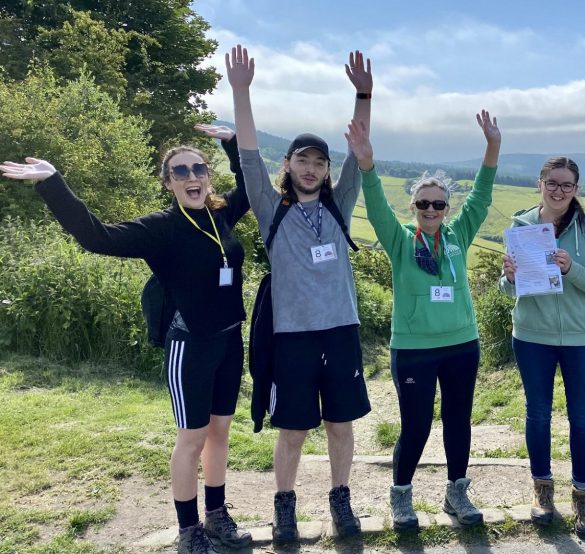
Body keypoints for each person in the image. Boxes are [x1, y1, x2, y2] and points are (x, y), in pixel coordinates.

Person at [1, 124, 253, 554]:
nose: (191, 177)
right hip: (191, 346)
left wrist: (231, 143)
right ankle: (188, 530)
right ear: (168, 182)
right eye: (180, 172)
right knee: (192, 438)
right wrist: (53, 184)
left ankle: (215, 517)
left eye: (198, 169)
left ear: (207, 176)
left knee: (219, 433)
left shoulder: (221, 212)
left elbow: (250, 186)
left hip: (230, 341)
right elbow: (97, 237)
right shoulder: (160, 228)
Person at [226, 45, 372, 544]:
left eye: (319, 162)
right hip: (291, 336)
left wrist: (363, 94)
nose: (311, 169)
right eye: (302, 160)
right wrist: (241, 92)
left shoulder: (340, 205)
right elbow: (247, 157)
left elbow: (358, 150)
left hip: (341, 330)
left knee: (340, 424)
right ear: (287, 165)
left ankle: (341, 502)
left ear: (328, 171)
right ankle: (284, 508)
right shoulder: (273, 209)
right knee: (292, 429)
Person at [344, 110, 500, 530]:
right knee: (415, 425)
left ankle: (456, 494)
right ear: (413, 207)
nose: (431, 209)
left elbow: (482, 197)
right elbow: (375, 203)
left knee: (458, 422)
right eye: (423, 203)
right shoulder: (399, 239)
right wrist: (367, 164)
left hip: (462, 344)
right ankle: (401, 498)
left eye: (439, 203)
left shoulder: (458, 234)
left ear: (447, 208)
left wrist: (492, 147)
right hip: (413, 349)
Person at [498, 157, 585, 539]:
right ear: (540, 183)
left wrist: (571, 270)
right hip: (532, 335)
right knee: (538, 415)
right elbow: (509, 289)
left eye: (567, 185)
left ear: (576, 189)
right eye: (553, 183)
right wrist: (509, 278)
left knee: (581, 416)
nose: (559, 191)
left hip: (582, 337)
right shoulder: (520, 226)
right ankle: (543, 491)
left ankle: (582, 496)